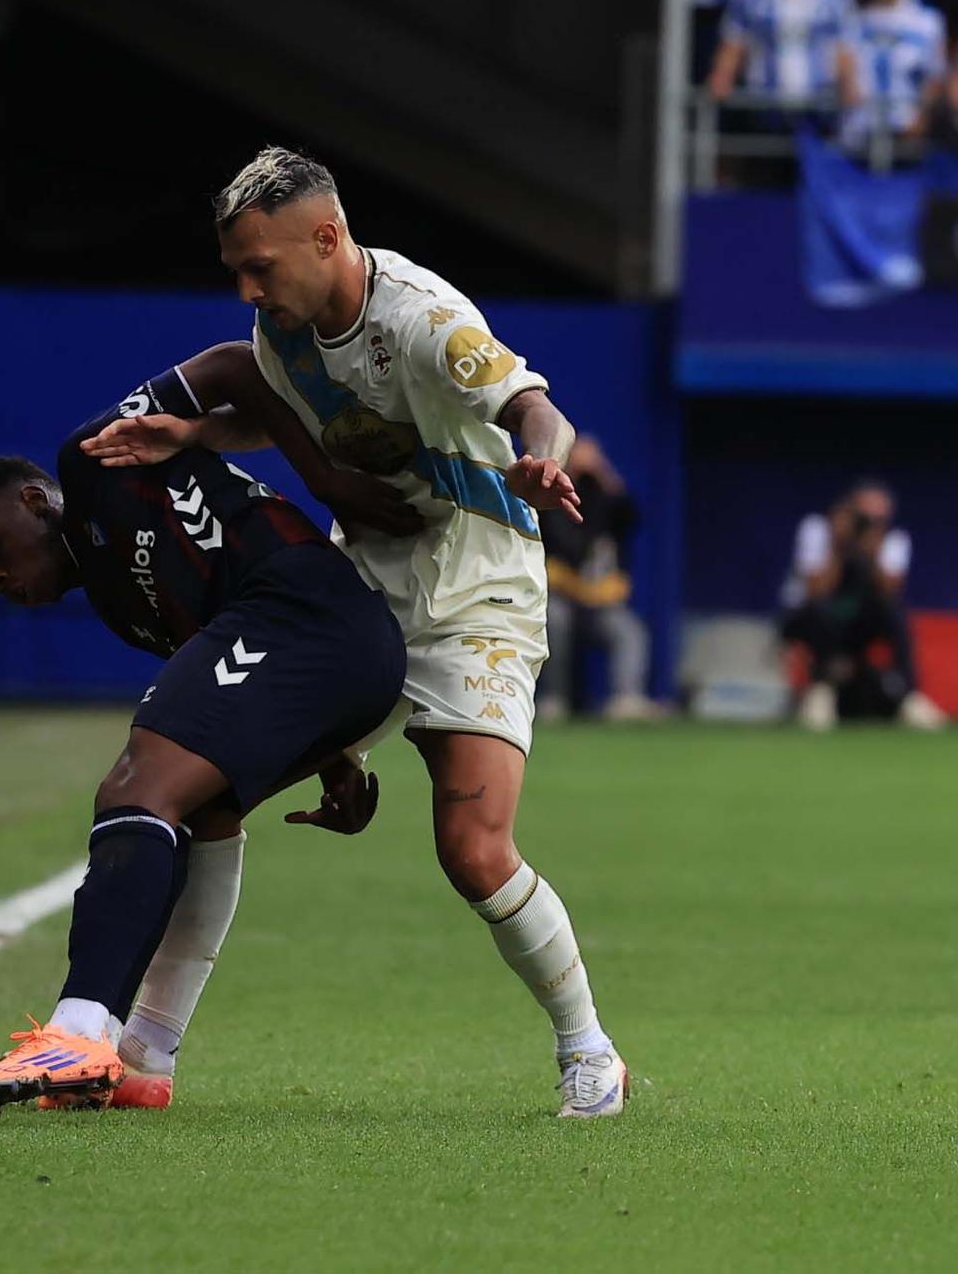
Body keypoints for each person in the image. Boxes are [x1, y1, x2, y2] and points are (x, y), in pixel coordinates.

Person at [82, 147, 630, 1118]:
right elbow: (282, 412)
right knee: (208, 783)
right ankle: (143, 1053)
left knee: (470, 847)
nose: (248, 289)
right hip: (362, 585)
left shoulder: (423, 317)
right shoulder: (279, 328)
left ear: (326, 237)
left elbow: (532, 407)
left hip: (475, 588)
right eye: (236, 273)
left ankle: (586, 1047)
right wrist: (196, 435)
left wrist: (542, 464)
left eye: (261, 267)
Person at [0, 359, 404, 1110]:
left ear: (35, 503)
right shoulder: (122, 611)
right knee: (200, 805)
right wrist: (334, 756)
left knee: (137, 786)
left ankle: (78, 1029)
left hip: (308, 611)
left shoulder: (92, 458)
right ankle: (145, 1060)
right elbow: (242, 692)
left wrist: (322, 477)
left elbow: (235, 363)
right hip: (328, 657)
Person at [781, 480, 943, 731]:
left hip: (857, 623)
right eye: (864, 517)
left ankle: (909, 695)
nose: (869, 523)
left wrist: (872, 549)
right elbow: (817, 591)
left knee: (894, 614)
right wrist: (838, 546)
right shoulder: (818, 529)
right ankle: (821, 692)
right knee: (820, 612)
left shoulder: (891, 539)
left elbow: (889, 592)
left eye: (878, 518)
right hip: (809, 618)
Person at [537, 437, 658, 722]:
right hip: (561, 596)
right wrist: (568, 474)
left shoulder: (606, 500)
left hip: (600, 603)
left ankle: (627, 698)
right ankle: (553, 700)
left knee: (630, 631)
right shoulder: (554, 503)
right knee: (555, 621)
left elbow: (631, 513)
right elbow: (560, 541)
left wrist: (601, 470)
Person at [708, 0, 862, 124]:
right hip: (766, 103)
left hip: (818, 105)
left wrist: (849, 83)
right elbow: (733, 42)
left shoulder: (835, 0)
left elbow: (844, 49)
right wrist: (722, 75)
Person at [847, 0, 948, 147]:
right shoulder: (857, 19)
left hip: (906, 121)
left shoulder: (927, 21)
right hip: (864, 123)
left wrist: (923, 116)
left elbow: (935, 74)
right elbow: (846, 67)